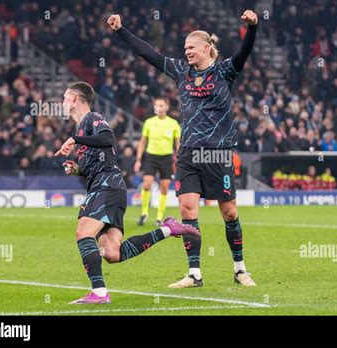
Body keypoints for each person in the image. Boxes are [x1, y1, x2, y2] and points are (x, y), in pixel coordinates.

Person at [108, 10, 258, 288]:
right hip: (188, 153)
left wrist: (252, 28)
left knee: (230, 213)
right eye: (184, 48)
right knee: (188, 211)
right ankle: (194, 274)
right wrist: (121, 31)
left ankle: (240, 270)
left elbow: (244, 53)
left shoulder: (224, 71)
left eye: (191, 48)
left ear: (205, 48)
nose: (186, 52)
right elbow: (148, 53)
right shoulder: (181, 72)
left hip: (217, 153)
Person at [55, 82, 199, 304]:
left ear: (74, 98)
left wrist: (76, 140)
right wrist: (77, 168)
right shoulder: (81, 128)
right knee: (112, 253)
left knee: (84, 232)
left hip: (107, 186)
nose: (62, 102)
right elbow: (97, 160)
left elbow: (108, 139)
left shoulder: (92, 119)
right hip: (109, 187)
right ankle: (168, 230)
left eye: (65, 97)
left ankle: (100, 293)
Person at [134, 98, 181, 226]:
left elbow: (178, 143)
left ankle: (159, 218)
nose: (158, 108)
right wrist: (138, 160)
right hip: (151, 157)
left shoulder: (173, 123)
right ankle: (144, 213)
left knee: (164, 188)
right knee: (147, 184)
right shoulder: (149, 122)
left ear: (167, 107)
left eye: (161, 105)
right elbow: (143, 141)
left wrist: (180, 158)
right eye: (156, 105)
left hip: (166, 158)